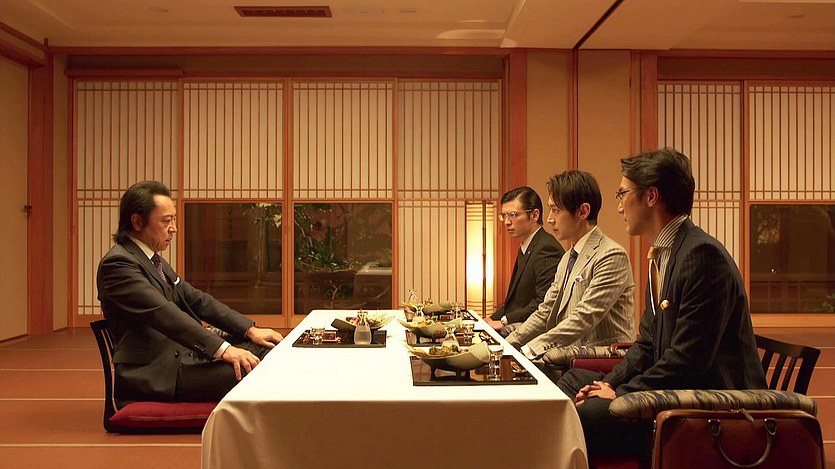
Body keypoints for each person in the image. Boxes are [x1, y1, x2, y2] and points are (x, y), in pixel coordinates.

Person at [557, 148, 766, 456]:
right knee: (572, 381)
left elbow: (688, 361)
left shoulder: (701, 256)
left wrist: (620, 393)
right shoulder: (662, 254)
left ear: (651, 196)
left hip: (709, 405)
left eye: (623, 194)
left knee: (588, 413)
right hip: (674, 389)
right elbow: (646, 343)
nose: (619, 206)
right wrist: (610, 383)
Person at [97, 181, 284, 407]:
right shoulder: (119, 264)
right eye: (166, 221)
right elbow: (165, 314)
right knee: (260, 366)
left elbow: (196, 299)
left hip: (181, 357)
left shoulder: (152, 259)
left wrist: (249, 330)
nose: (174, 228)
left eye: (174, 219)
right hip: (157, 372)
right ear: (137, 222)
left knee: (264, 348)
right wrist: (224, 350)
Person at [506, 171, 634, 373]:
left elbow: (584, 316)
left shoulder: (611, 254)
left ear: (583, 211)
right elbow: (545, 311)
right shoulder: (568, 257)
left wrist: (531, 349)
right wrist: (508, 344)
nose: (550, 219)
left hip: (604, 361)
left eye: (556, 210)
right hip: (570, 356)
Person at [490, 186, 564, 336]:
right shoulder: (528, 245)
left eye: (513, 215)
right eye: (504, 216)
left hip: (534, 332)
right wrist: (490, 319)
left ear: (534, 215)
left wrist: (503, 321)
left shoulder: (546, 247)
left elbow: (543, 302)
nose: (507, 222)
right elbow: (514, 304)